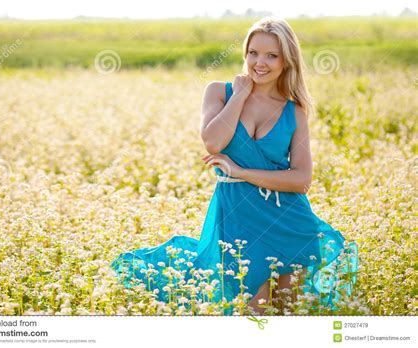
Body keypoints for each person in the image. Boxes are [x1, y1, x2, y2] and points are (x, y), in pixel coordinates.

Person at [111, 16, 358, 315]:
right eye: (253, 53)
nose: (260, 62)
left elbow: (302, 179)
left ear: (287, 60)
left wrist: (241, 172)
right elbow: (213, 142)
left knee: (289, 314)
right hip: (236, 216)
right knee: (254, 311)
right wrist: (240, 95)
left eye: (271, 55)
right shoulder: (220, 92)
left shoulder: (295, 110)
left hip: (290, 221)